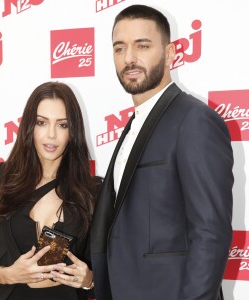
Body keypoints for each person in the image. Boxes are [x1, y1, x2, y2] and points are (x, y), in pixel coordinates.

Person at [89, 4, 234, 300]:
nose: (129, 58)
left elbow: (211, 233)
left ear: (169, 54)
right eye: (119, 48)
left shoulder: (194, 121)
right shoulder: (133, 126)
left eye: (142, 45)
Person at [0, 81, 101, 300]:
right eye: (42, 122)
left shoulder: (92, 191)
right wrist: (7, 275)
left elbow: (113, 269)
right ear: (28, 126)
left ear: (74, 131)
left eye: (63, 125)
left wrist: (89, 280)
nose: (51, 135)